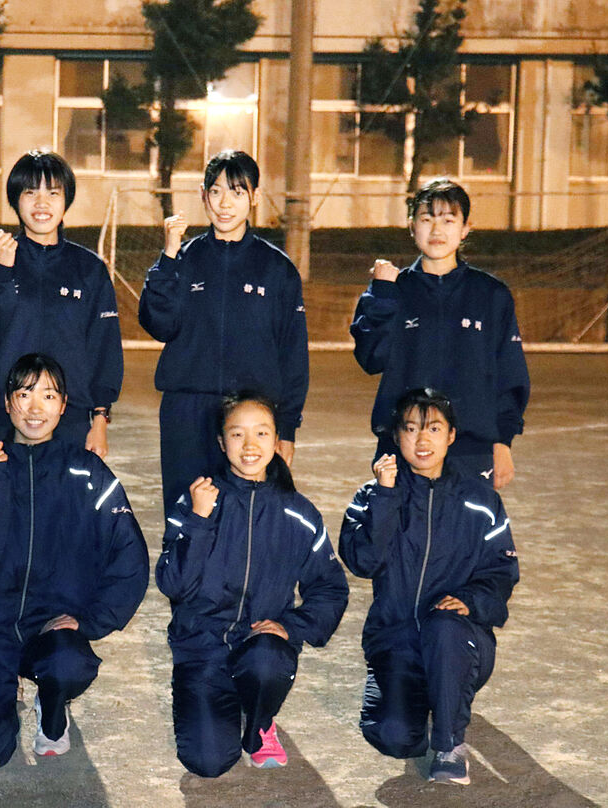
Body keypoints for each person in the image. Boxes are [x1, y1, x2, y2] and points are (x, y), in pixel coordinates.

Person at [0, 353, 148, 770]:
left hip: (51, 625)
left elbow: (130, 556)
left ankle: (52, 708)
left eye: (49, 395)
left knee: (67, 663)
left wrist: (90, 621)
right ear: (8, 403)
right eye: (24, 394)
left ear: (63, 405)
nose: (35, 408)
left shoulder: (88, 473)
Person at [155, 392, 348, 776]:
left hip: (260, 646)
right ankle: (214, 700)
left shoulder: (298, 512)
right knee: (208, 762)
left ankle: (260, 720)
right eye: (237, 434)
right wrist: (198, 521)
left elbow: (330, 588)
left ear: (276, 441)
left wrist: (291, 626)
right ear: (221, 442)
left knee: (267, 661)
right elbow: (174, 584)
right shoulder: (197, 501)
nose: (249, 445)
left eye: (261, 433)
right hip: (202, 647)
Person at [338, 387, 519, 786]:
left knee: (443, 627)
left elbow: (502, 571)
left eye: (433, 429)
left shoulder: (480, 500)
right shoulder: (373, 495)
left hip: (458, 639)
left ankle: (450, 745)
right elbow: (364, 562)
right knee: (394, 738)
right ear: (396, 436)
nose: (422, 440)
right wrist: (386, 496)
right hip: (396, 637)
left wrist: (470, 600)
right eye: (410, 429)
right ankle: (419, 695)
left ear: (451, 435)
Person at [139, 150, 309, 512]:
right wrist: (168, 259)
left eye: (237, 192)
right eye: (215, 192)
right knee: (186, 512)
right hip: (187, 413)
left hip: (250, 415)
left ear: (255, 197)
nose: (225, 203)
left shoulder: (277, 269)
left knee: (246, 516)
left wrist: (287, 428)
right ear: (203, 196)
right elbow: (158, 323)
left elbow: (293, 354)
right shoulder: (183, 260)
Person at [351, 177, 529, 489]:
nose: (437, 230)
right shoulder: (392, 289)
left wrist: (502, 442)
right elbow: (371, 358)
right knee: (398, 521)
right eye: (426, 219)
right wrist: (382, 296)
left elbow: (510, 375)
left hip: (471, 449)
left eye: (448, 220)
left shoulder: (491, 295)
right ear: (411, 226)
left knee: (467, 522)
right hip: (403, 445)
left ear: (465, 228)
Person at [0, 150, 122, 457]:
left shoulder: (89, 268)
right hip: (1, 417)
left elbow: (104, 348)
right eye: (30, 193)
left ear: (66, 200)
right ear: (15, 200)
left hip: (70, 417)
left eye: (53, 193)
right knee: (0, 489)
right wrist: (2, 274)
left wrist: (99, 418)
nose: (42, 204)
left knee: (66, 490)